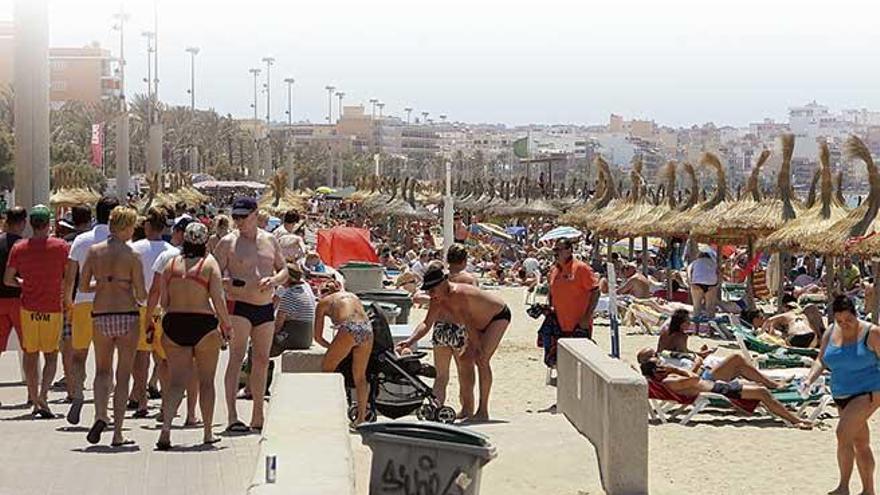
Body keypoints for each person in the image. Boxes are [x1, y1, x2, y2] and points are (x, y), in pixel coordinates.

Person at [152, 222, 232, 449]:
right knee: (206, 381)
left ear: (184, 241)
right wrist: (227, 326)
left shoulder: (170, 265)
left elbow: (164, 302)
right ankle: (207, 432)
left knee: (176, 382)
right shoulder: (209, 265)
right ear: (205, 242)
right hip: (204, 325)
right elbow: (218, 300)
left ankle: (165, 430)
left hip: (174, 323)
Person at [215, 197, 287, 432]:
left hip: (264, 306)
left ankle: (258, 413)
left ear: (256, 215)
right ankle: (233, 416)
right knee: (236, 358)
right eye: (235, 217)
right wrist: (225, 284)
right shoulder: (228, 242)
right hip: (239, 305)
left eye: (243, 217)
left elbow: (284, 270)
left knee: (261, 360)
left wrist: (274, 279)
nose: (239, 222)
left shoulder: (270, 240)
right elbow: (212, 273)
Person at [79, 206, 146, 446]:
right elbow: (141, 293)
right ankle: (118, 433)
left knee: (102, 371)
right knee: (123, 374)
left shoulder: (94, 252)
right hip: (127, 314)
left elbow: (83, 286)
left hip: (101, 314)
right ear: (126, 227)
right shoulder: (133, 255)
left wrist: (105, 285)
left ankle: (100, 415)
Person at [406, 264, 509, 421]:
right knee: (466, 359)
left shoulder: (459, 294)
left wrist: (476, 346)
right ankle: (467, 410)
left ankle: (483, 411)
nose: (430, 293)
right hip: (476, 323)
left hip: (497, 317)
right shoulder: (437, 298)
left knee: (481, 360)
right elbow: (427, 323)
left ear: (443, 283)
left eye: (432, 290)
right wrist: (410, 340)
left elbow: (468, 323)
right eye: (428, 290)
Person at [805, 295, 880, 495]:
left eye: (849, 320)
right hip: (841, 393)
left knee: (842, 433)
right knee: (860, 442)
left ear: (856, 315)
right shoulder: (831, 331)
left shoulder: (871, 333)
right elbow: (821, 360)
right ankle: (869, 491)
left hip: (868, 391)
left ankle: (843, 487)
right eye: (840, 321)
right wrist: (808, 380)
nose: (844, 324)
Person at [4, 205, 69, 418]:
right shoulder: (61, 246)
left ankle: (33, 399)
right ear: (48, 224)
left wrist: (24, 283)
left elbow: (8, 279)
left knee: (30, 354)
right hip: (52, 307)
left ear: (30, 224)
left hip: (28, 307)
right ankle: (43, 394)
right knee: (51, 356)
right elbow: (68, 276)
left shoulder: (20, 248)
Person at [398, 245, 479, 418]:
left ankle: (436, 407)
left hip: (441, 328)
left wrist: (410, 340)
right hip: (460, 329)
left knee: (441, 376)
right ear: (464, 261)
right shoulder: (468, 280)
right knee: (465, 373)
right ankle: (466, 409)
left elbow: (427, 322)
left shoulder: (440, 281)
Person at [638, 350, 812, 428]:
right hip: (718, 390)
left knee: (759, 390)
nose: (663, 363)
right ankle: (794, 420)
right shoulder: (669, 381)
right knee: (762, 393)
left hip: (716, 387)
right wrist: (675, 369)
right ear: (656, 371)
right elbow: (695, 379)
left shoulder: (666, 380)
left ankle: (786, 412)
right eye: (659, 364)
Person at [64, 195, 118, 426]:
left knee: (78, 355)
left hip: (82, 301)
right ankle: (102, 411)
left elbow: (70, 278)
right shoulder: (120, 241)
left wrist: (69, 303)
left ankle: (77, 393)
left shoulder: (81, 240)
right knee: (105, 363)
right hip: (110, 303)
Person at [128, 207, 174, 417]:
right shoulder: (172, 251)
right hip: (164, 309)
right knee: (164, 358)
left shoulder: (134, 249)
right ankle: (166, 403)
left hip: (140, 307)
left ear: (147, 225)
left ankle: (142, 401)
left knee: (141, 356)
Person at [313, 280, 374, 424]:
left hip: (349, 327)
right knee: (360, 377)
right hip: (367, 328)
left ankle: (329, 412)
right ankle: (361, 419)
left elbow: (317, 337)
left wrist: (333, 349)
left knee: (327, 370)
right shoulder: (352, 296)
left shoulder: (324, 302)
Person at [548, 238, 597, 338]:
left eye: (559, 250)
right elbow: (552, 292)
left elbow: (595, 291)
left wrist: (587, 317)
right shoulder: (554, 269)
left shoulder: (581, 268)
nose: (556, 253)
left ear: (569, 250)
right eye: (554, 250)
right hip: (558, 324)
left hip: (578, 325)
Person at [272, 263, 316, 355]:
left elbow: (278, 324)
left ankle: (254, 368)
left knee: (259, 342)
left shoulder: (289, 294)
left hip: (294, 337)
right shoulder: (305, 289)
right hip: (306, 338)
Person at [0, 207, 25, 365]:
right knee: (28, 344)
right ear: (23, 223)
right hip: (19, 300)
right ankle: (32, 382)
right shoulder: (23, 245)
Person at [761, 304, 826, 348]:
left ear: (787, 309)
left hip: (795, 337)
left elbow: (769, 320)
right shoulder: (804, 315)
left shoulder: (786, 315)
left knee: (784, 341)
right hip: (811, 336)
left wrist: (761, 333)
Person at [687, 248, 719, 318]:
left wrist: (691, 284)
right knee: (710, 308)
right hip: (711, 284)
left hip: (696, 284)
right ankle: (710, 326)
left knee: (696, 307)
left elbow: (689, 274)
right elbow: (719, 273)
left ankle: (697, 326)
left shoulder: (694, 262)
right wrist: (717, 284)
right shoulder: (714, 263)